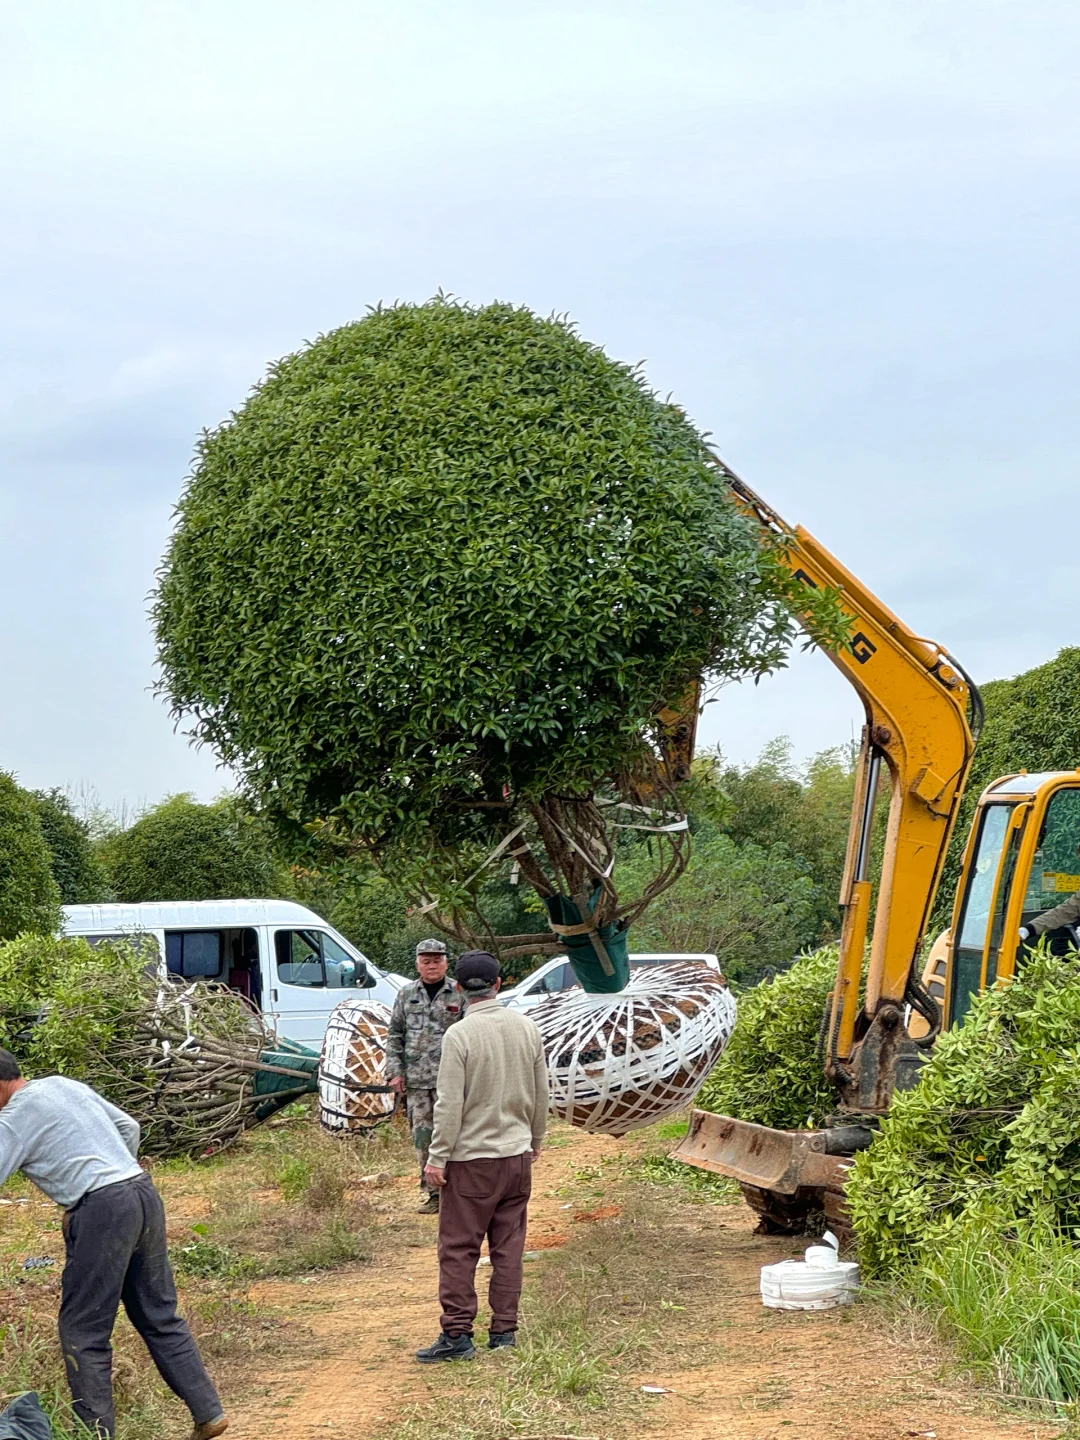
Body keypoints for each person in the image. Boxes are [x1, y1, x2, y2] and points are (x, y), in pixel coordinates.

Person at [0, 1051, 226, 1440]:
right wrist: (116, 1175)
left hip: (103, 1209)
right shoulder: (61, 1085)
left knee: (83, 1332)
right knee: (159, 1314)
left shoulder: (15, 1118)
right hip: (141, 1191)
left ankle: (95, 1435)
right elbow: (129, 1126)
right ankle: (209, 1413)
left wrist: (98, 1195)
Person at [416, 950, 549, 1363]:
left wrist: (437, 1158)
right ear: (500, 983)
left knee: (459, 1249)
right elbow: (542, 1094)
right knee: (508, 1248)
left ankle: (457, 1335)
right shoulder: (527, 1028)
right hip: (516, 1157)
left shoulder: (459, 1035)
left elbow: (449, 1106)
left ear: (457, 988)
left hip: (472, 1161)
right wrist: (536, 1140)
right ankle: (504, 1332)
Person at [385, 938, 464, 1213]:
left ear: (446, 962)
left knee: (456, 1134)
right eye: (426, 961)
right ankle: (434, 1195)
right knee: (423, 1137)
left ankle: (459, 1192)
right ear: (418, 964)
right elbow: (395, 1034)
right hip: (417, 1081)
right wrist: (394, 1073)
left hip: (452, 1080)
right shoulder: (406, 994)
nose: (432, 966)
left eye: (437, 960)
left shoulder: (459, 992)